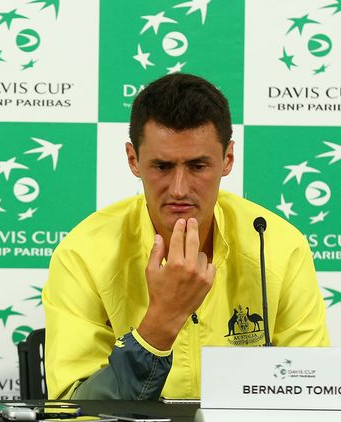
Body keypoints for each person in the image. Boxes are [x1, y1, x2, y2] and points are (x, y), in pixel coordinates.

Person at [43, 73, 329, 400]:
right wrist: (160, 323)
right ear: (133, 159)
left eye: (197, 166)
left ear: (228, 159)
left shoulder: (278, 245)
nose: (179, 189)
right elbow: (72, 407)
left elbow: (312, 396)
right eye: (162, 166)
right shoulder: (84, 254)